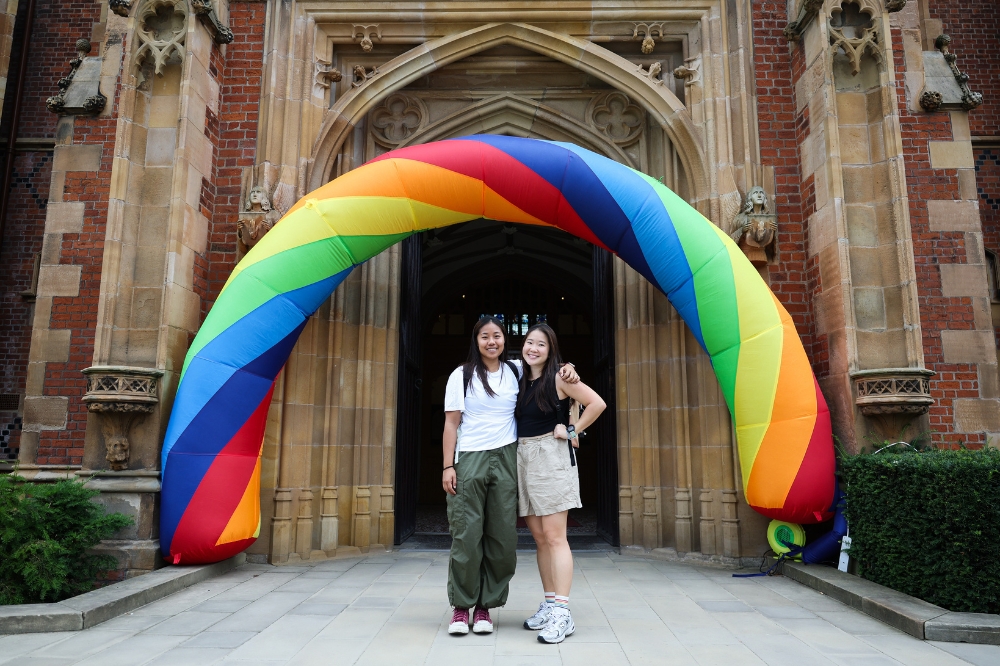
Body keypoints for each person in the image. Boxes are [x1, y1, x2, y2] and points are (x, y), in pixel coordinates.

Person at [442, 316, 577, 636]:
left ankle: (486, 607)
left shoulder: (516, 370)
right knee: (466, 536)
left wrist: (568, 367)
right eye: (485, 336)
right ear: (476, 341)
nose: (492, 342)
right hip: (470, 458)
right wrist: (448, 466)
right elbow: (450, 424)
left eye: (497, 336)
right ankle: (462, 608)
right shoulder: (460, 376)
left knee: (501, 539)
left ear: (505, 341)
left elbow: (545, 364)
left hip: (507, 458)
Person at [516, 323, 606, 644]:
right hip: (523, 456)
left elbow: (597, 403)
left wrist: (572, 431)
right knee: (540, 538)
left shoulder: (560, 377)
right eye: (529, 342)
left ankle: (563, 614)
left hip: (551, 457)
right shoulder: (517, 376)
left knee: (555, 538)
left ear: (551, 350)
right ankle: (550, 603)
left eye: (541, 344)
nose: (534, 349)